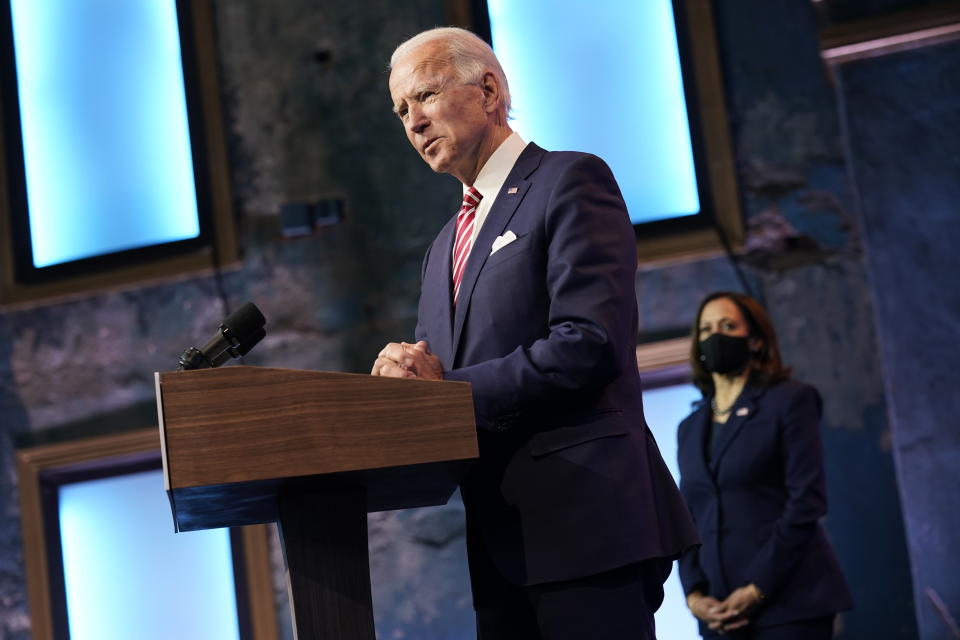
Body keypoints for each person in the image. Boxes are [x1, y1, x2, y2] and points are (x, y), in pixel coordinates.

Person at [371, 26, 699, 640]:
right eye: (400, 110)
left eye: (425, 95)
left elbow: (589, 343)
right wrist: (404, 387)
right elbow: (438, 379)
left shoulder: (569, 180)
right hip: (501, 550)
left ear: (489, 90)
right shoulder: (442, 246)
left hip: (588, 526)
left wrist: (446, 387)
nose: (412, 122)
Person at [677, 292, 853, 639]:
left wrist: (757, 588)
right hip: (718, 614)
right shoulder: (690, 426)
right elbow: (687, 515)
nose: (716, 336)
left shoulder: (789, 400)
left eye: (728, 326)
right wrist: (694, 595)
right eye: (706, 329)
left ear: (755, 340)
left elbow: (806, 502)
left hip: (789, 605)